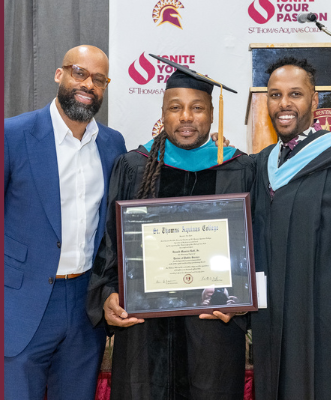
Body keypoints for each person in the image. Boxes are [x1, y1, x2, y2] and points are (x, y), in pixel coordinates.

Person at [87, 61, 251, 400]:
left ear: (212, 114)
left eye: (197, 108)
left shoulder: (239, 168)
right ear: (163, 114)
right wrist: (108, 294)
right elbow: (111, 242)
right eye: (175, 108)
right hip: (144, 329)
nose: (186, 117)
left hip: (213, 326)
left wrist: (244, 301)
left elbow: (256, 248)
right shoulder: (134, 166)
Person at [3, 45, 125, 400]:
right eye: (79, 73)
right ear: (60, 74)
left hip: (86, 307)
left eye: (99, 79)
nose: (88, 85)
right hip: (22, 304)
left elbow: (114, 229)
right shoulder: (12, 134)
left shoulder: (112, 144)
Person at [250, 57, 331, 399]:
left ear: (314, 100)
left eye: (295, 94)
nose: (284, 104)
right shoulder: (262, 164)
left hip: (327, 327)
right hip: (271, 325)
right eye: (275, 95)